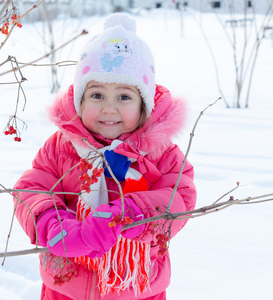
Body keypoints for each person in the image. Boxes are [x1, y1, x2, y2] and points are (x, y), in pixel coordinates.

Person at [13, 13, 196, 300]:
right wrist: (54, 224)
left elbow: (180, 197)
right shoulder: (62, 147)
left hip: (137, 288)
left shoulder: (162, 153)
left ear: (144, 105)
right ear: (80, 100)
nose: (109, 109)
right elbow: (31, 188)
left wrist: (133, 213)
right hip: (67, 286)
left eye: (124, 97)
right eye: (97, 95)